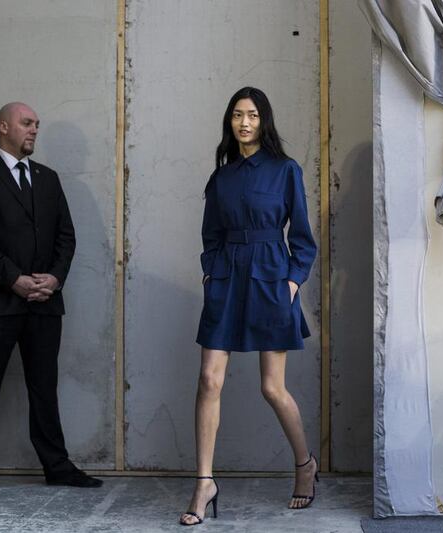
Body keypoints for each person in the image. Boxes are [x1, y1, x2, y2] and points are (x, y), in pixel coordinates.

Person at [179, 87, 318, 526]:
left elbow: (302, 239)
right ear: (230, 121)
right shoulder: (221, 178)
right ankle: (204, 482)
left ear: (264, 121)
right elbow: (210, 236)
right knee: (208, 380)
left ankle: (304, 465)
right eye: (238, 115)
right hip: (226, 279)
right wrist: (209, 273)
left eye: (253, 115)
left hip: (271, 279)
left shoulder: (285, 170)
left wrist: (293, 282)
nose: (244, 123)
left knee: (272, 388)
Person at [0, 102, 101, 504]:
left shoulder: (49, 179)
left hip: (45, 303)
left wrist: (54, 278)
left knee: (44, 388)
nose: (34, 130)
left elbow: (66, 236)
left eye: (37, 124)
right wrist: (14, 280)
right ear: (3, 126)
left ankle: (57, 467)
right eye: (27, 123)